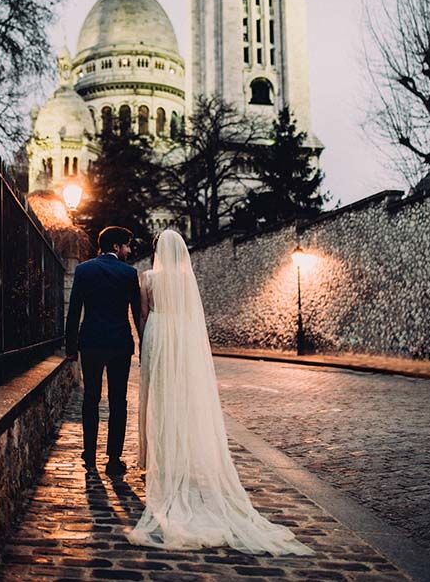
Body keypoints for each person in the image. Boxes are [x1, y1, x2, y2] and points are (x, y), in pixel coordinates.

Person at [127, 229, 313, 556]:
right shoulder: (186, 280)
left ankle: (156, 458)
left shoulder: (149, 277)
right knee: (182, 400)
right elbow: (191, 316)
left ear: (158, 251)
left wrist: (147, 343)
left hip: (158, 336)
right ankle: (181, 456)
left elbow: (143, 315)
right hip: (181, 339)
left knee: (159, 401)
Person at [65, 225, 140, 476]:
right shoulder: (129, 273)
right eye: (127, 245)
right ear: (117, 247)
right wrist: (144, 344)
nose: (129, 250)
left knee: (91, 398)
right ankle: (114, 459)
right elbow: (138, 314)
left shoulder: (83, 270)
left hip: (92, 343)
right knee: (118, 400)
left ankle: (89, 453)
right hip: (120, 344)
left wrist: (71, 348)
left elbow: (74, 310)